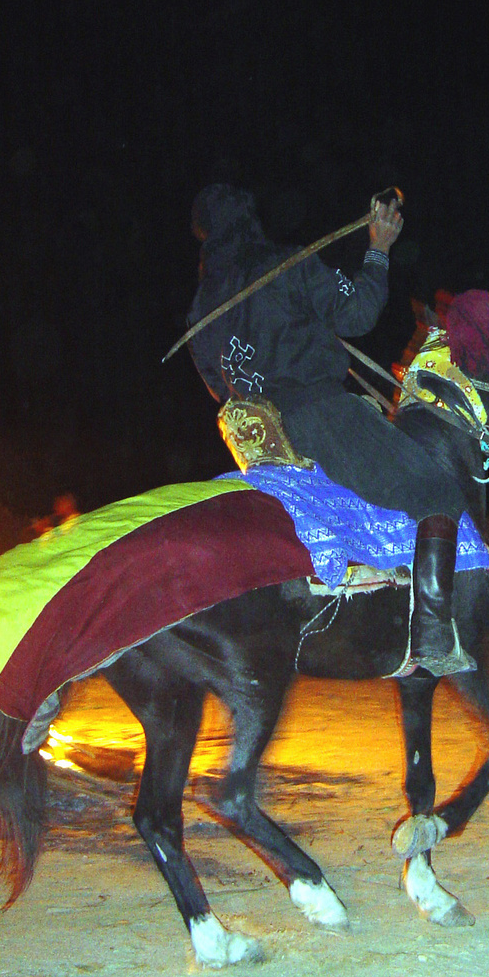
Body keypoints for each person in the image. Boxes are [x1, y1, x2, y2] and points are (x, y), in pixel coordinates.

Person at [186, 184, 474, 675]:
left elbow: (219, 387)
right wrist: (379, 250)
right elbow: (358, 313)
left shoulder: (199, 313)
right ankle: (431, 633)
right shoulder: (285, 264)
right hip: (322, 418)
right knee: (439, 489)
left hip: (262, 445)